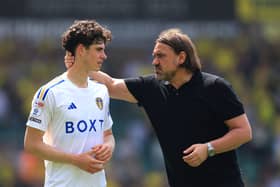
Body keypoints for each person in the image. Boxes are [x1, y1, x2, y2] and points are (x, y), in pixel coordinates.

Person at [66, 28, 252, 187]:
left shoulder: (215, 87)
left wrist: (208, 148)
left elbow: (244, 131)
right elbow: (111, 85)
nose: (154, 61)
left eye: (161, 56)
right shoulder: (152, 88)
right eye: (154, 56)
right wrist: (80, 66)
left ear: (181, 57)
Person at [24, 20, 115, 187]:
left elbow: (108, 134)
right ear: (81, 50)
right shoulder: (50, 92)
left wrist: (109, 147)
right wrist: (75, 160)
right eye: (99, 50)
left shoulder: (101, 91)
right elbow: (31, 144)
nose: (104, 56)